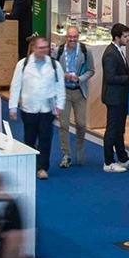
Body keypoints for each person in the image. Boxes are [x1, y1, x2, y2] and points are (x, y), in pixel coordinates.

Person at [9, 37, 63, 176]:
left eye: (45, 47)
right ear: (34, 48)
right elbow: (16, 86)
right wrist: (13, 106)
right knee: (29, 138)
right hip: (29, 109)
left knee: (46, 138)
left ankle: (42, 167)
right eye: (40, 47)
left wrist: (59, 105)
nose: (43, 50)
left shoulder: (55, 65)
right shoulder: (23, 64)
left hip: (47, 109)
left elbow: (60, 86)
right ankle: (29, 164)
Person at [50, 27, 93, 169]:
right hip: (64, 92)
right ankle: (66, 154)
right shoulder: (59, 51)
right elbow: (52, 71)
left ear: (78, 37)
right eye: (69, 37)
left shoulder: (86, 51)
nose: (72, 40)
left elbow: (91, 70)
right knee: (63, 124)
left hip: (80, 91)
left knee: (81, 124)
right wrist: (63, 77)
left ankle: (79, 148)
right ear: (65, 37)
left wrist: (79, 78)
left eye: (74, 37)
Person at [99, 23, 129, 170]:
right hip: (114, 98)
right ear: (116, 37)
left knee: (120, 129)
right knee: (112, 130)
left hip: (120, 98)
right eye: (125, 36)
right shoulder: (110, 54)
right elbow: (110, 77)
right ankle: (108, 162)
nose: (128, 39)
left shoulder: (117, 51)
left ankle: (122, 158)